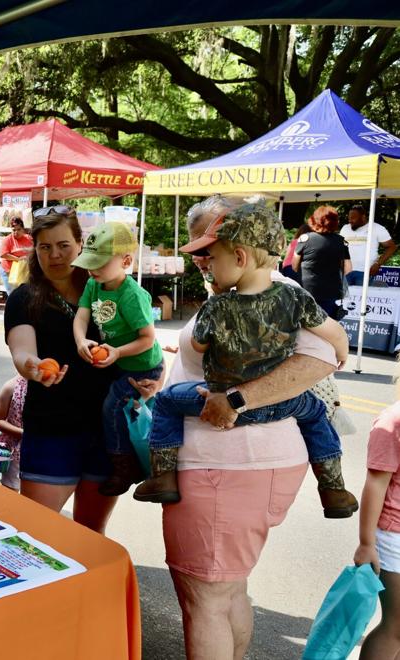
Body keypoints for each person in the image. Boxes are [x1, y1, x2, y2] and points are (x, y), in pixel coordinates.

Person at [154, 195, 340, 659]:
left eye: (208, 245)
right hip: (235, 465)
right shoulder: (237, 292)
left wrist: (235, 400)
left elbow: (322, 358)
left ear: (239, 245)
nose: (198, 256)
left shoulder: (274, 291)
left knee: (207, 599)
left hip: (227, 464)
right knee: (225, 591)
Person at [135, 202, 355, 517]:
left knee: (168, 401)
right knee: (317, 414)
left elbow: (199, 345)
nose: (204, 262)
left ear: (239, 257)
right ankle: (333, 488)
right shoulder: (294, 299)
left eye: (211, 253)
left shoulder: (221, 305)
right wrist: (343, 351)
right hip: (282, 407)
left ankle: (162, 477)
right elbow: (333, 334)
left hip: (221, 407)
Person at [3, 210, 118, 531]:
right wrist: (34, 366)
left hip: (106, 431)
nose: (54, 255)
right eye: (44, 247)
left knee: (91, 533)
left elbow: (137, 339)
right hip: (52, 430)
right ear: (34, 249)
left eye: (63, 245)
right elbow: (22, 349)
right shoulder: (23, 298)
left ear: (81, 244)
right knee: (37, 533)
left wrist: (151, 372)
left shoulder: (108, 291)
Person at [71, 221, 164, 496]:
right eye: (90, 262)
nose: (92, 269)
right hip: (119, 360)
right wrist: (80, 340)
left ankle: (123, 466)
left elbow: (148, 338)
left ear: (125, 261)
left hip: (142, 365)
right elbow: (82, 316)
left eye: (99, 262)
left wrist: (118, 352)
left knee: (113, 406)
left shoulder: (131, 295)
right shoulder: (93, 284)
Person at [353, 376, 400, 659]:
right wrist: (366, 543)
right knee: (396, 625)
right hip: (394, 536)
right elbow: (375, 484)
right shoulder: (392, 421)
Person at [292, 205, 352, 318]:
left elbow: (294, 266)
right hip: (331, 292)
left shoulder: (305, 239)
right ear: (335, 222)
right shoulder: (341, 241)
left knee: (307, 324)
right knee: (327, 322)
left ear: (314, 220)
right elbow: (348, 269)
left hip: (307, 290)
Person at [342, 204, 397, 285]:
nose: (350, 221)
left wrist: (377, 264)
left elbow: (391, 247)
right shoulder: (345, 228)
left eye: (353, 218)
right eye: (349, 218)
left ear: (363, 217)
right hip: (345, 272)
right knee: (342, 297)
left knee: (361, 297)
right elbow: (340, 247)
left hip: (365, 272)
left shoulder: (377, 228)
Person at [0, 375, 27, 491]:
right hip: (14, 451)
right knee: (10, 489)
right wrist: (24, 434)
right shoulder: (11, 387)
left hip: (41, 451)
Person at [0, 217, 33, 293]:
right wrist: (18, 259)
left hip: (23, 271)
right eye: (14, 230)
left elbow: (34, 251)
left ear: (23, 229)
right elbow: (3, 254)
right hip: (9, 272)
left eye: (19, 229)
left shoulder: (29, 238)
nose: (16, 232)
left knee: (24, 294)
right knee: (12, 294)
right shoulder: (7, 239)